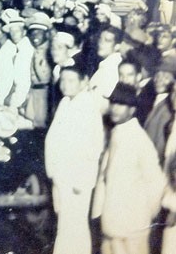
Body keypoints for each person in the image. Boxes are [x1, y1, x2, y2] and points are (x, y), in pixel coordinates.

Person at [93, 83, 166, 254]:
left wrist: (143, 216)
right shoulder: (117, 133)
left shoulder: (139, 139)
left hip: (132, 226)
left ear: (132, 109)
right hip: (113, 222)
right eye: (113, 103)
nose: (115, 109)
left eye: (121, 104)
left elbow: (156, 182)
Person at [44, 65, 104, 254]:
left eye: (71, 80)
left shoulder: (87, 107)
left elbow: (93, 148)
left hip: (77, 180)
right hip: (62, 176)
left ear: (83, 82)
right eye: (63, 80)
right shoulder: (65, 103)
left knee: (74, 227)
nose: (65, 84)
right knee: (65, 225)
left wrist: (82, 179)